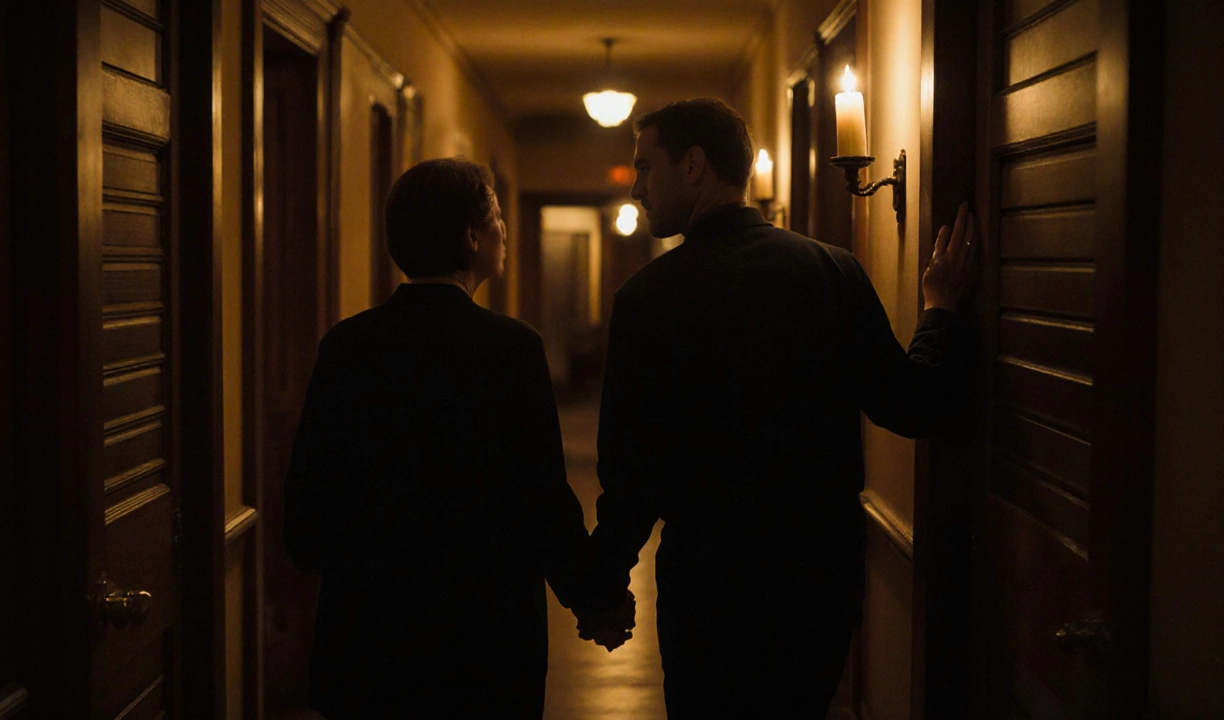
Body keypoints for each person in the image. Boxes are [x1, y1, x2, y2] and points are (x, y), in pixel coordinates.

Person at [586, 98, 978, 718]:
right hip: (817, 585)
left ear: (693, 165)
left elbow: (632, 472)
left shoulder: (648, 297)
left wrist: (602, 585)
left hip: (707, 589)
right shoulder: (832, 272)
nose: (635, 187)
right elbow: (909, 404)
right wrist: (939, 313)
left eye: (644, 166)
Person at [284, 157, 633, 719]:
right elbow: (541, 498)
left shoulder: (346, 346)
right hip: (483, 635)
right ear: (473, 237)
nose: (503, 232)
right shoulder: (511, 348)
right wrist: (594, 595)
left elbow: (307, 506)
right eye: (496, 218)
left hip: (368, 632)